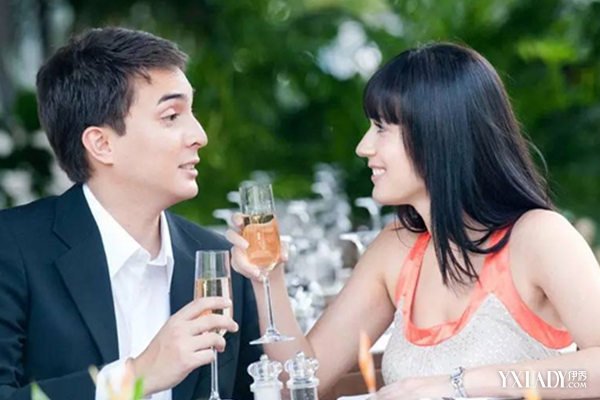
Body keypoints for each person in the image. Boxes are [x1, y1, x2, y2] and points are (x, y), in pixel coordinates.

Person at [226, 42, 600, 399]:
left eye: (381, 128)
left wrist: (461, 383)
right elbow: (300, 382)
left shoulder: (538, 237)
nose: (363, 147)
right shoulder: (396, 248)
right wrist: (268, 279)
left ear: (438, 134)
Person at [0, 27, 262, 400]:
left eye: (191, 112)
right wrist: (137, 376)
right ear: (101, 144)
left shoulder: (219, 261)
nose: (199, 135)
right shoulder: (13, 248)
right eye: (171, 116)